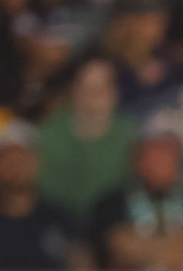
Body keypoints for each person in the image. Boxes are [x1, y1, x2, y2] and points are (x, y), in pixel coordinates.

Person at [87, 116, 183, 271]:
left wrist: (156, 253)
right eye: (154, 153)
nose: (162, 162)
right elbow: (120, 246)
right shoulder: (112, 203)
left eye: (168, 154)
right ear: (137, 160)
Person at [36, 57, 140, 224]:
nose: (91, 96)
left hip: (113, 224)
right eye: (84, 87)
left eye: (101, 88)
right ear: (73, 90)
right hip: (55, 222)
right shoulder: (48, 131)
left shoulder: (131, 134)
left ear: (115, 91)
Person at [0, 120, 78, 271]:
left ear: (36, 163)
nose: (15, 165)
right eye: (8, 158)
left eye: (23, 158)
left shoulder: (59, 218)